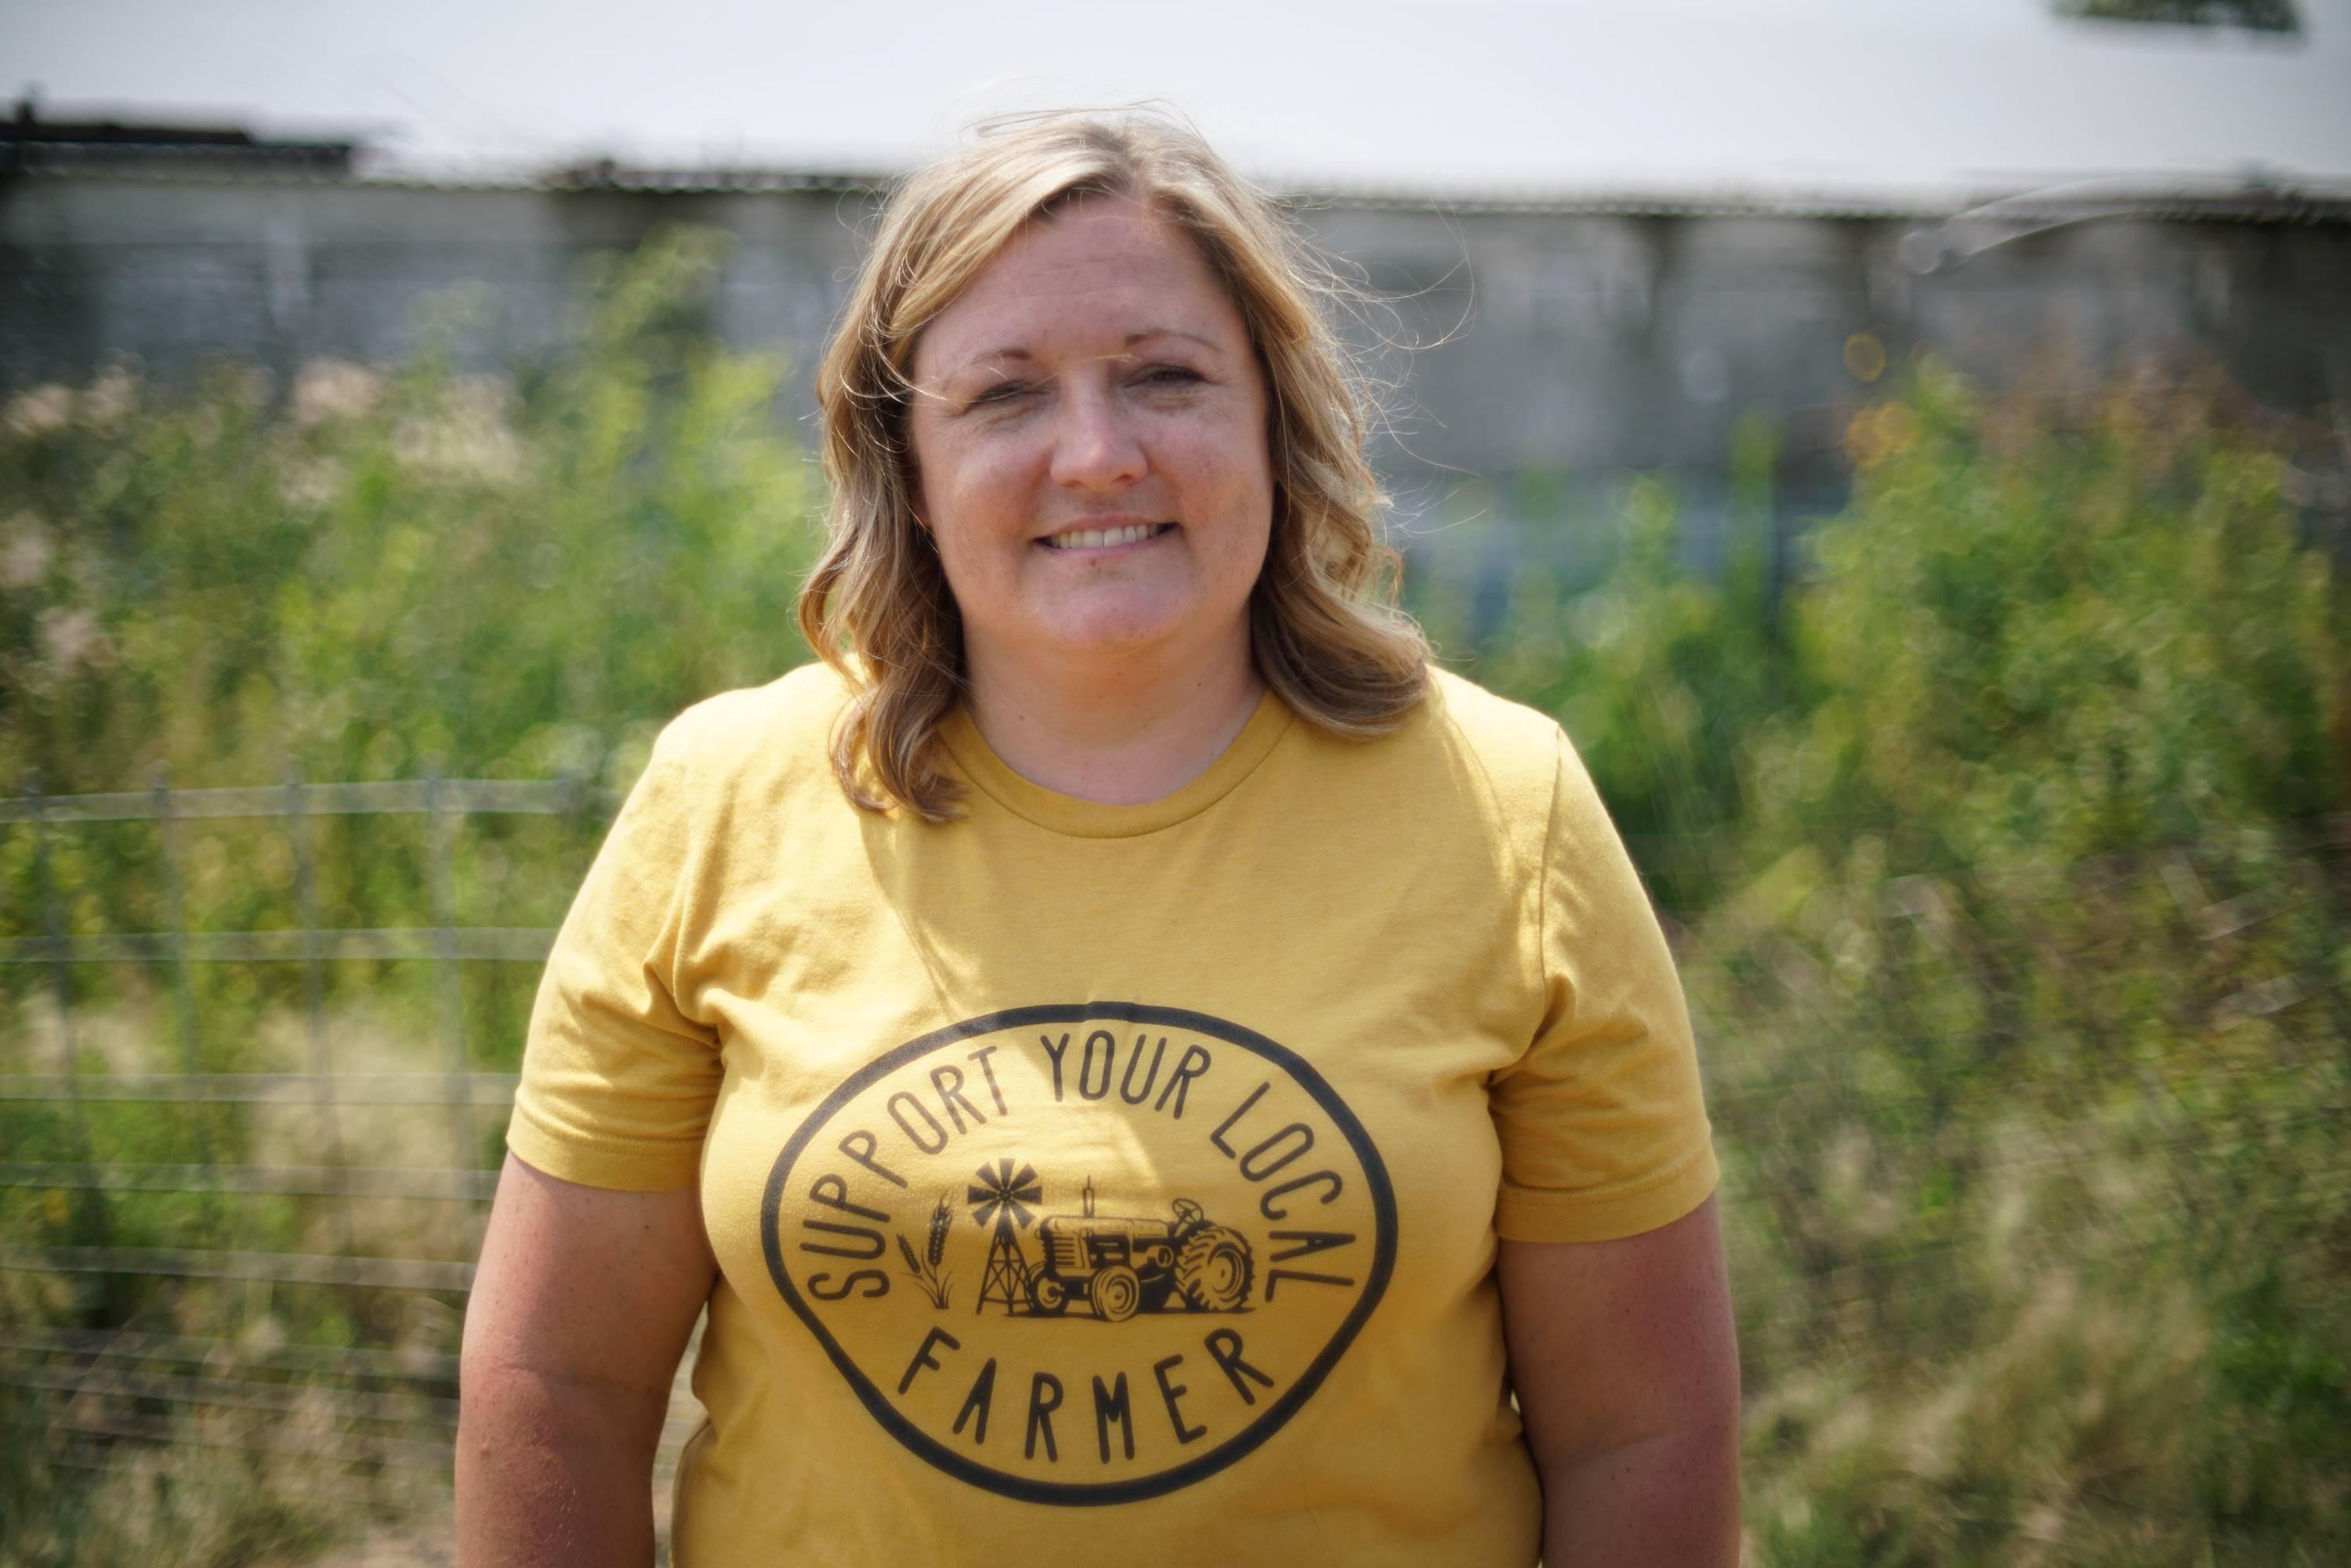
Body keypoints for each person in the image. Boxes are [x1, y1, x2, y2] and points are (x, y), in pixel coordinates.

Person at [457, 108, 1740, 1568]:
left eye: (1165, 377)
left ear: (1273, 416)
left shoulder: (1513, 812)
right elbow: (554, 1389)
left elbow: (1645, 1434)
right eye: (1005, 397)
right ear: (909, 469)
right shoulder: (722, 797)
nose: (1096, 453)